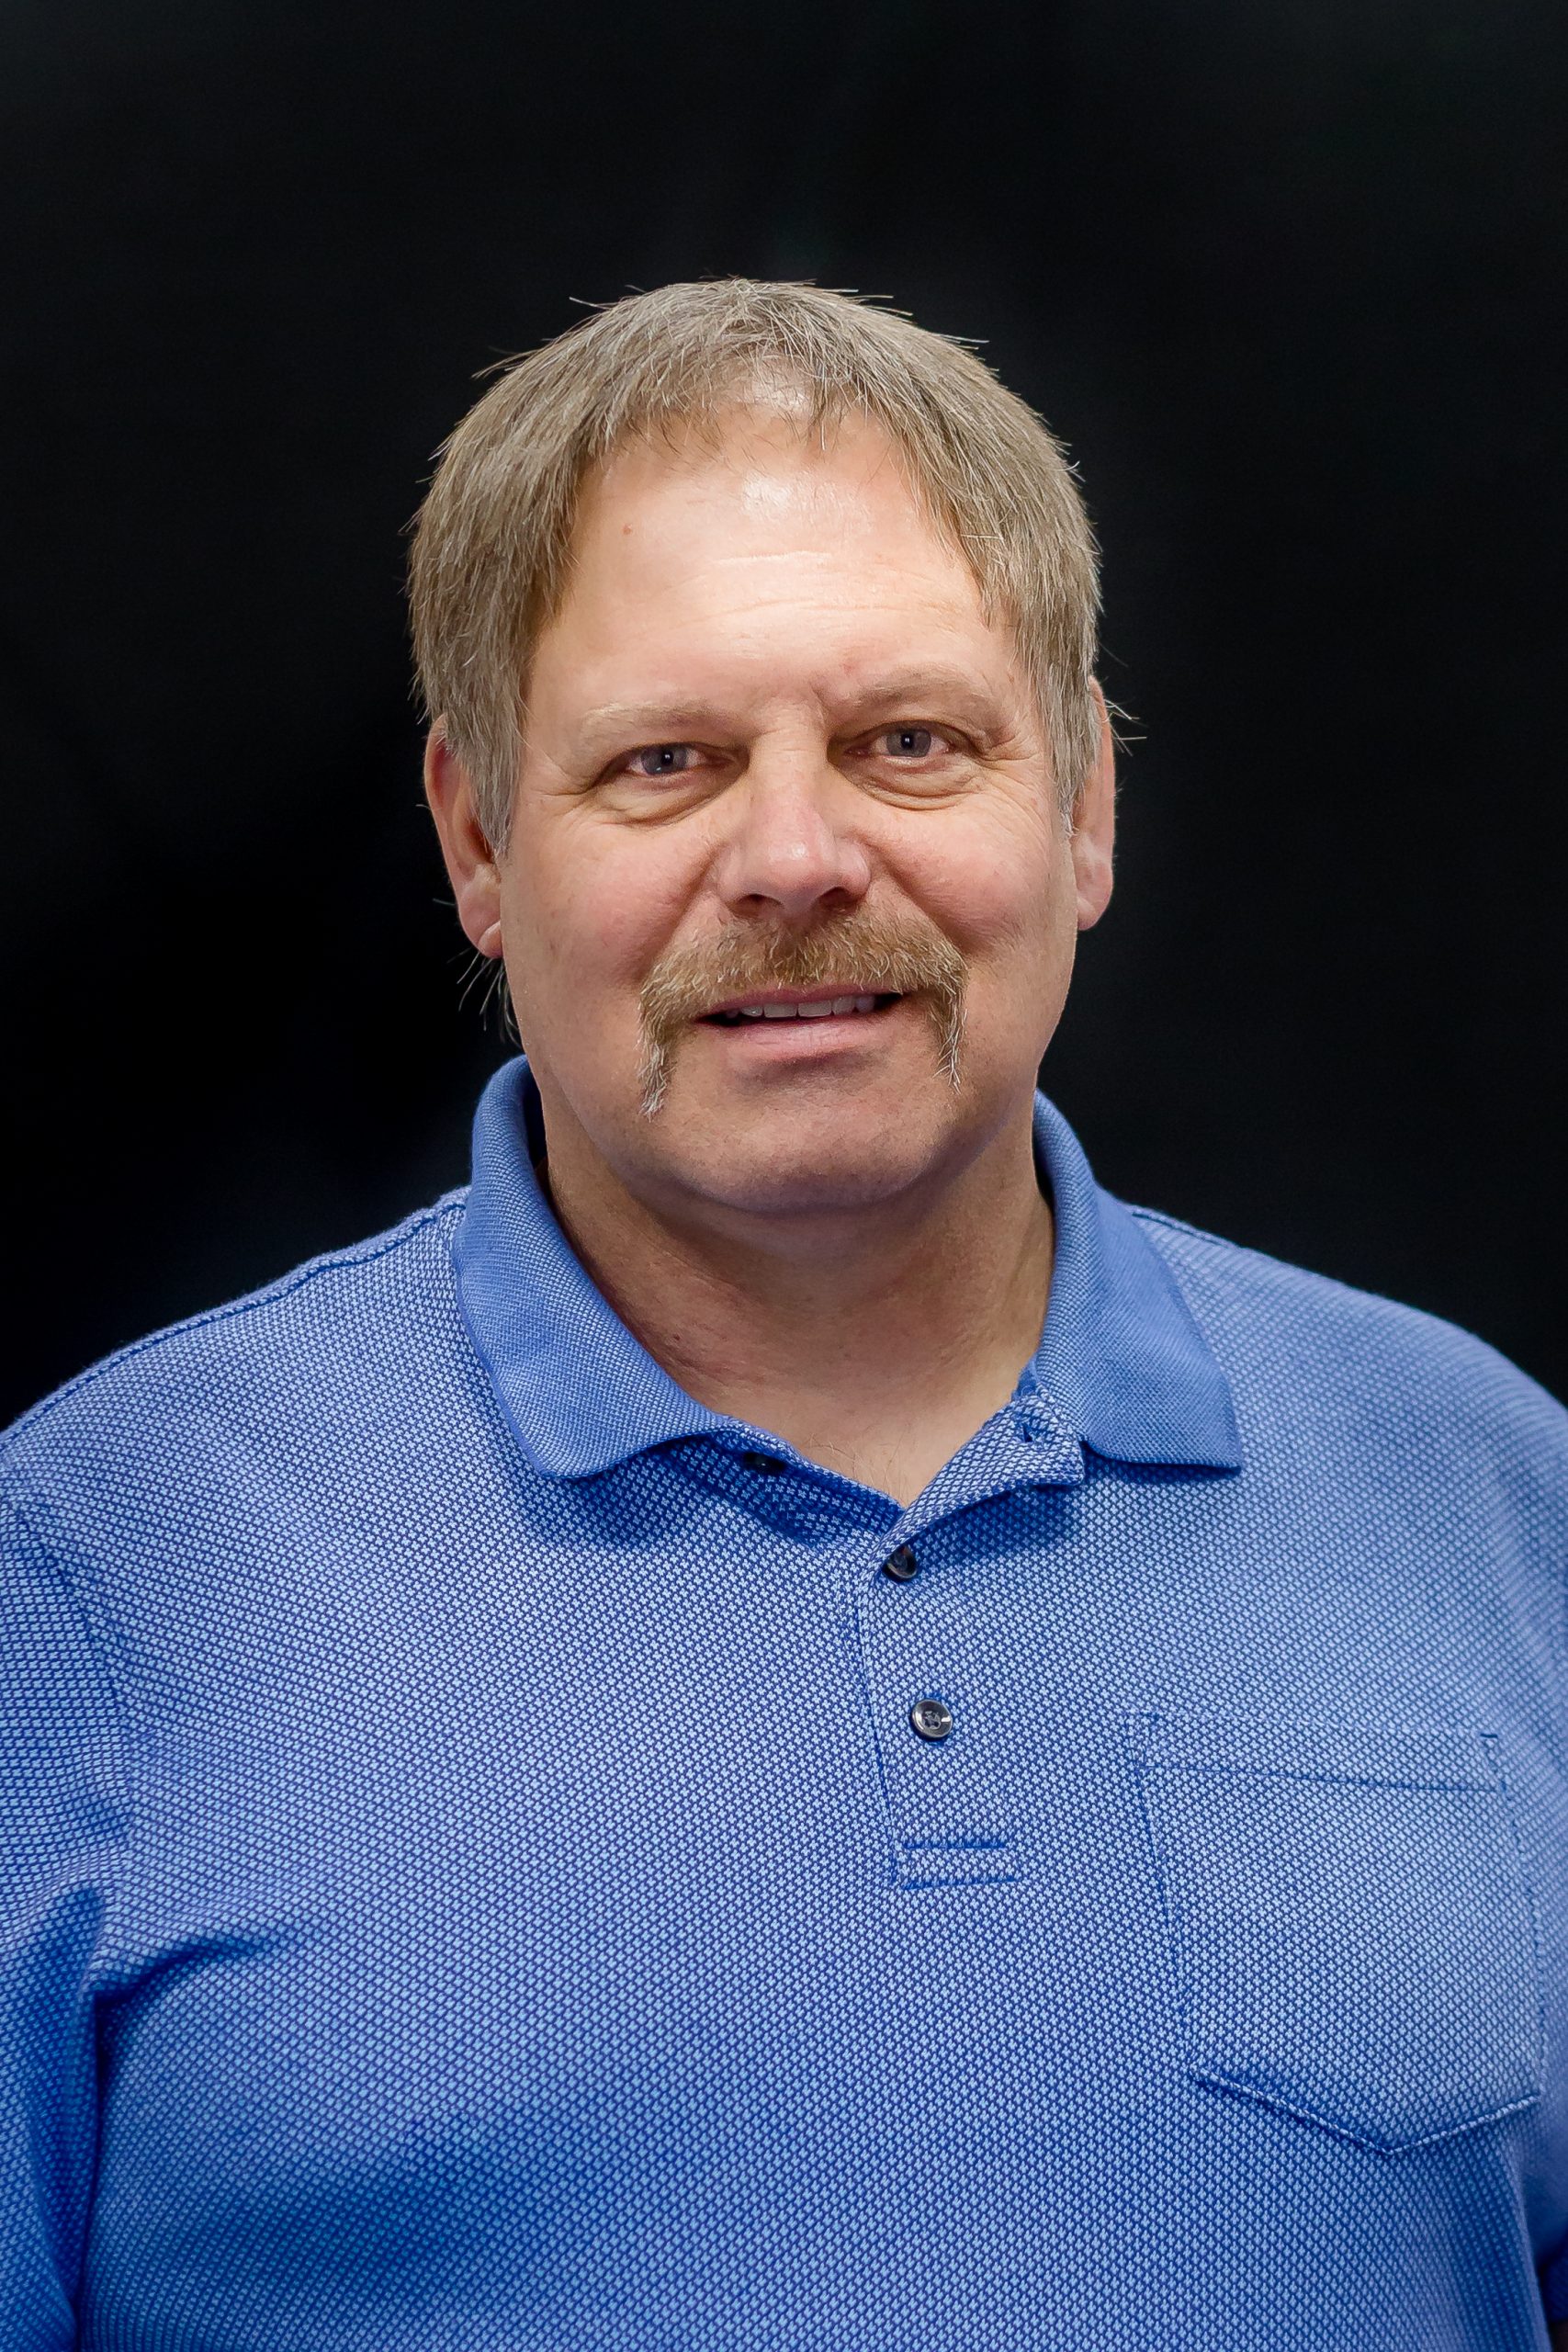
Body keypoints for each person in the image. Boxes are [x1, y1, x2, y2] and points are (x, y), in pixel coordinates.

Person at [3, 278, 1565, 2351]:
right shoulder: (92, 1561)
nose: (800, 854)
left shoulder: (1490, 1494)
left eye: (907, 739)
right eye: (664, 760)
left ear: (1082, 800)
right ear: (478, 842)